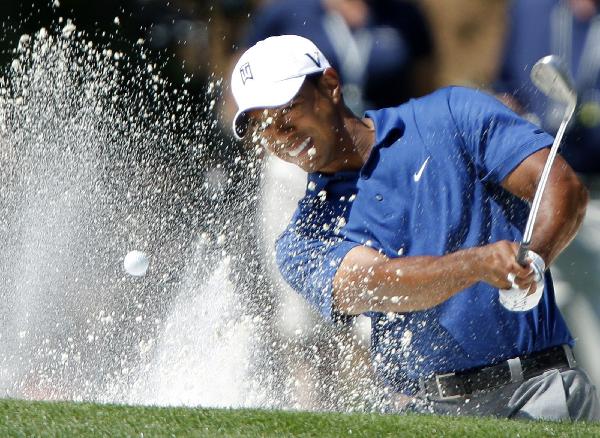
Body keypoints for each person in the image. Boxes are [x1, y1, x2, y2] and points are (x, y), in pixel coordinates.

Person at [229, 34, 600, 420]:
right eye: (264, 126)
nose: (280, 133)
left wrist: (533, 262)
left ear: (330, 84)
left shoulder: (450, 113)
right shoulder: (303, 238)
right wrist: (476, 265)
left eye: (289, 109)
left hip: (537, 391)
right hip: (426, 414)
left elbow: (563, 189)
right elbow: (378, 284)